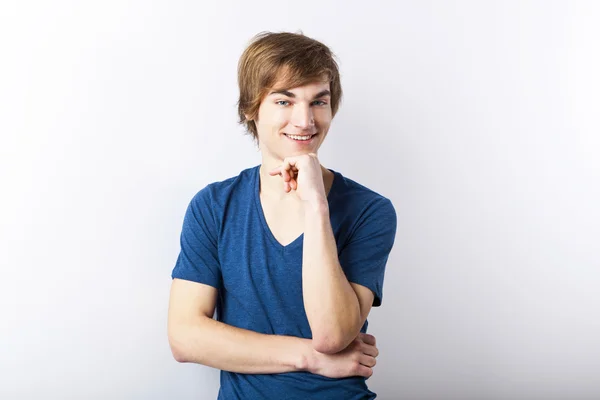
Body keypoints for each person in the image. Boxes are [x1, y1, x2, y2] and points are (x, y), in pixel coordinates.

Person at [167, 31, 397, 400]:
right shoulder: (214, 206)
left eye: (318, 101)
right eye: (284, 101)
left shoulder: (369, 211)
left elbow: (333, 335)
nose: (304, 120)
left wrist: (316, 207)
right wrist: (310, 358)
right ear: (251, 108)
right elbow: (185, 337)